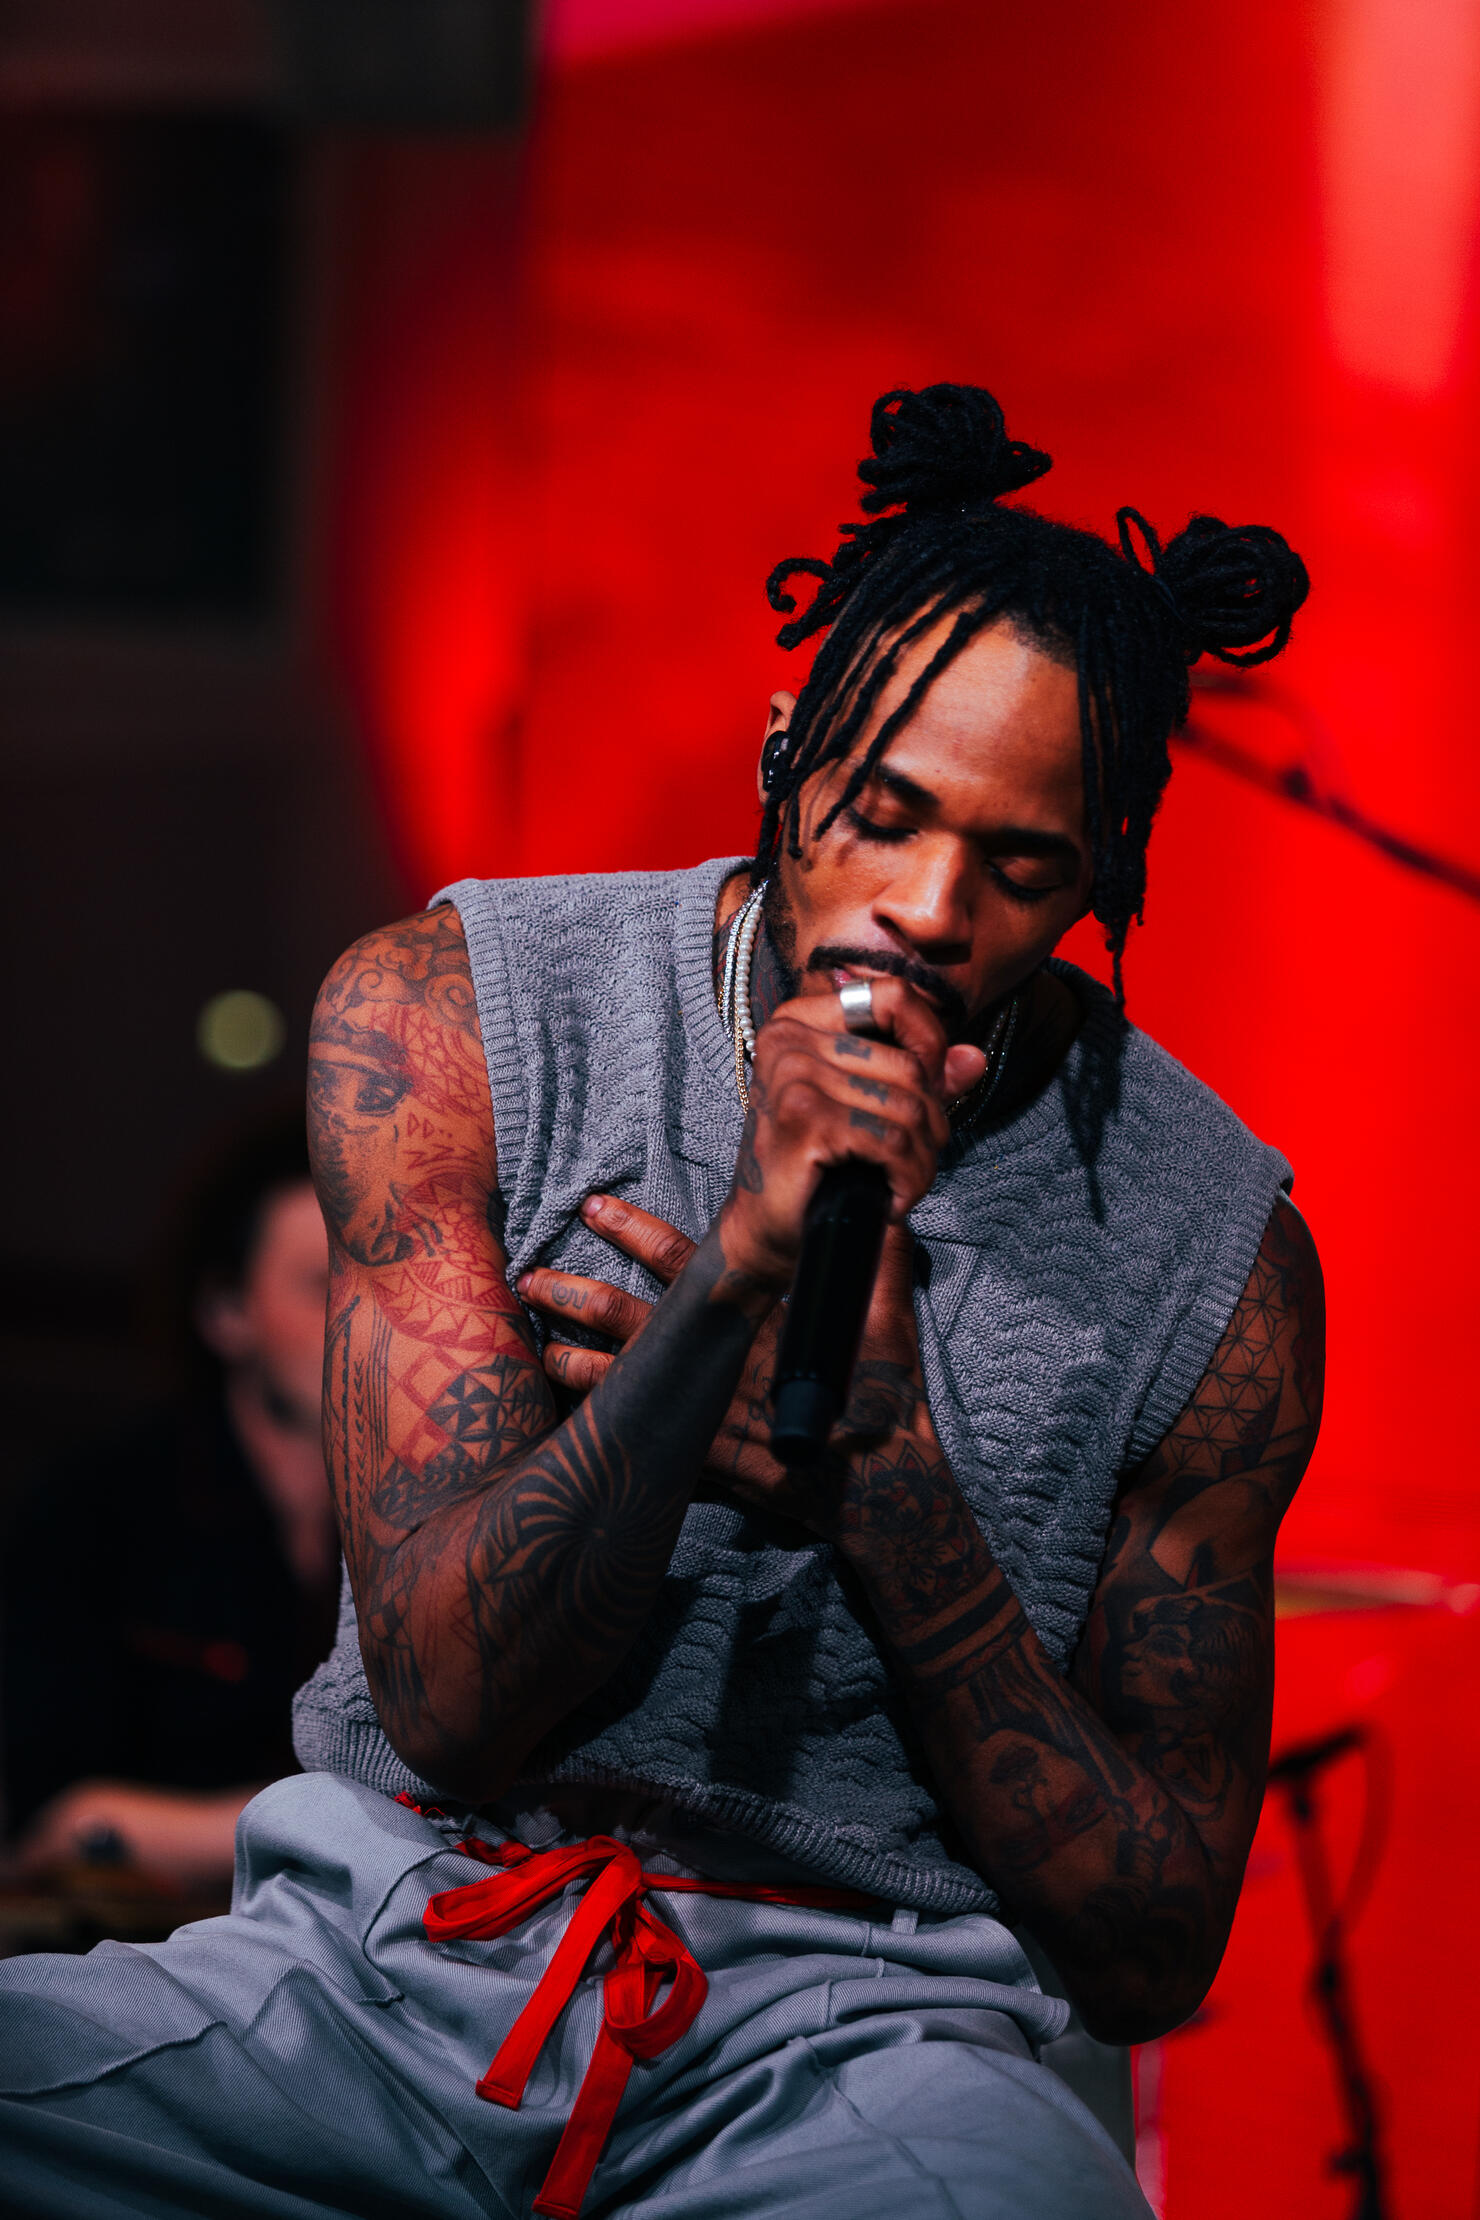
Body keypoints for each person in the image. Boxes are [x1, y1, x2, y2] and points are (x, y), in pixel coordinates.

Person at [0, 385, 1322, 2218]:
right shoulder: (458, 1014)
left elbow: (1153, 1949)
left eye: (1024, 865)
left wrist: (892, 1487)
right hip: (394, 1950)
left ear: (1108, 863)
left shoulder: (1213, 1248)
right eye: (882, 815)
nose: (931, 909)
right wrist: (726, 1300)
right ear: (785, 754)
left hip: (871, 2028)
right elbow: (448, 1709)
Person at [1, 1114, 338, 1886]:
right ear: (227, 1312)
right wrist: (333, 1825)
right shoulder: (95, 1507)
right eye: (325, 1286)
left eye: (383, 1286)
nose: (364, 1319)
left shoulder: (436, 1512)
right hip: (146, 1941)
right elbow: (56, 1823)